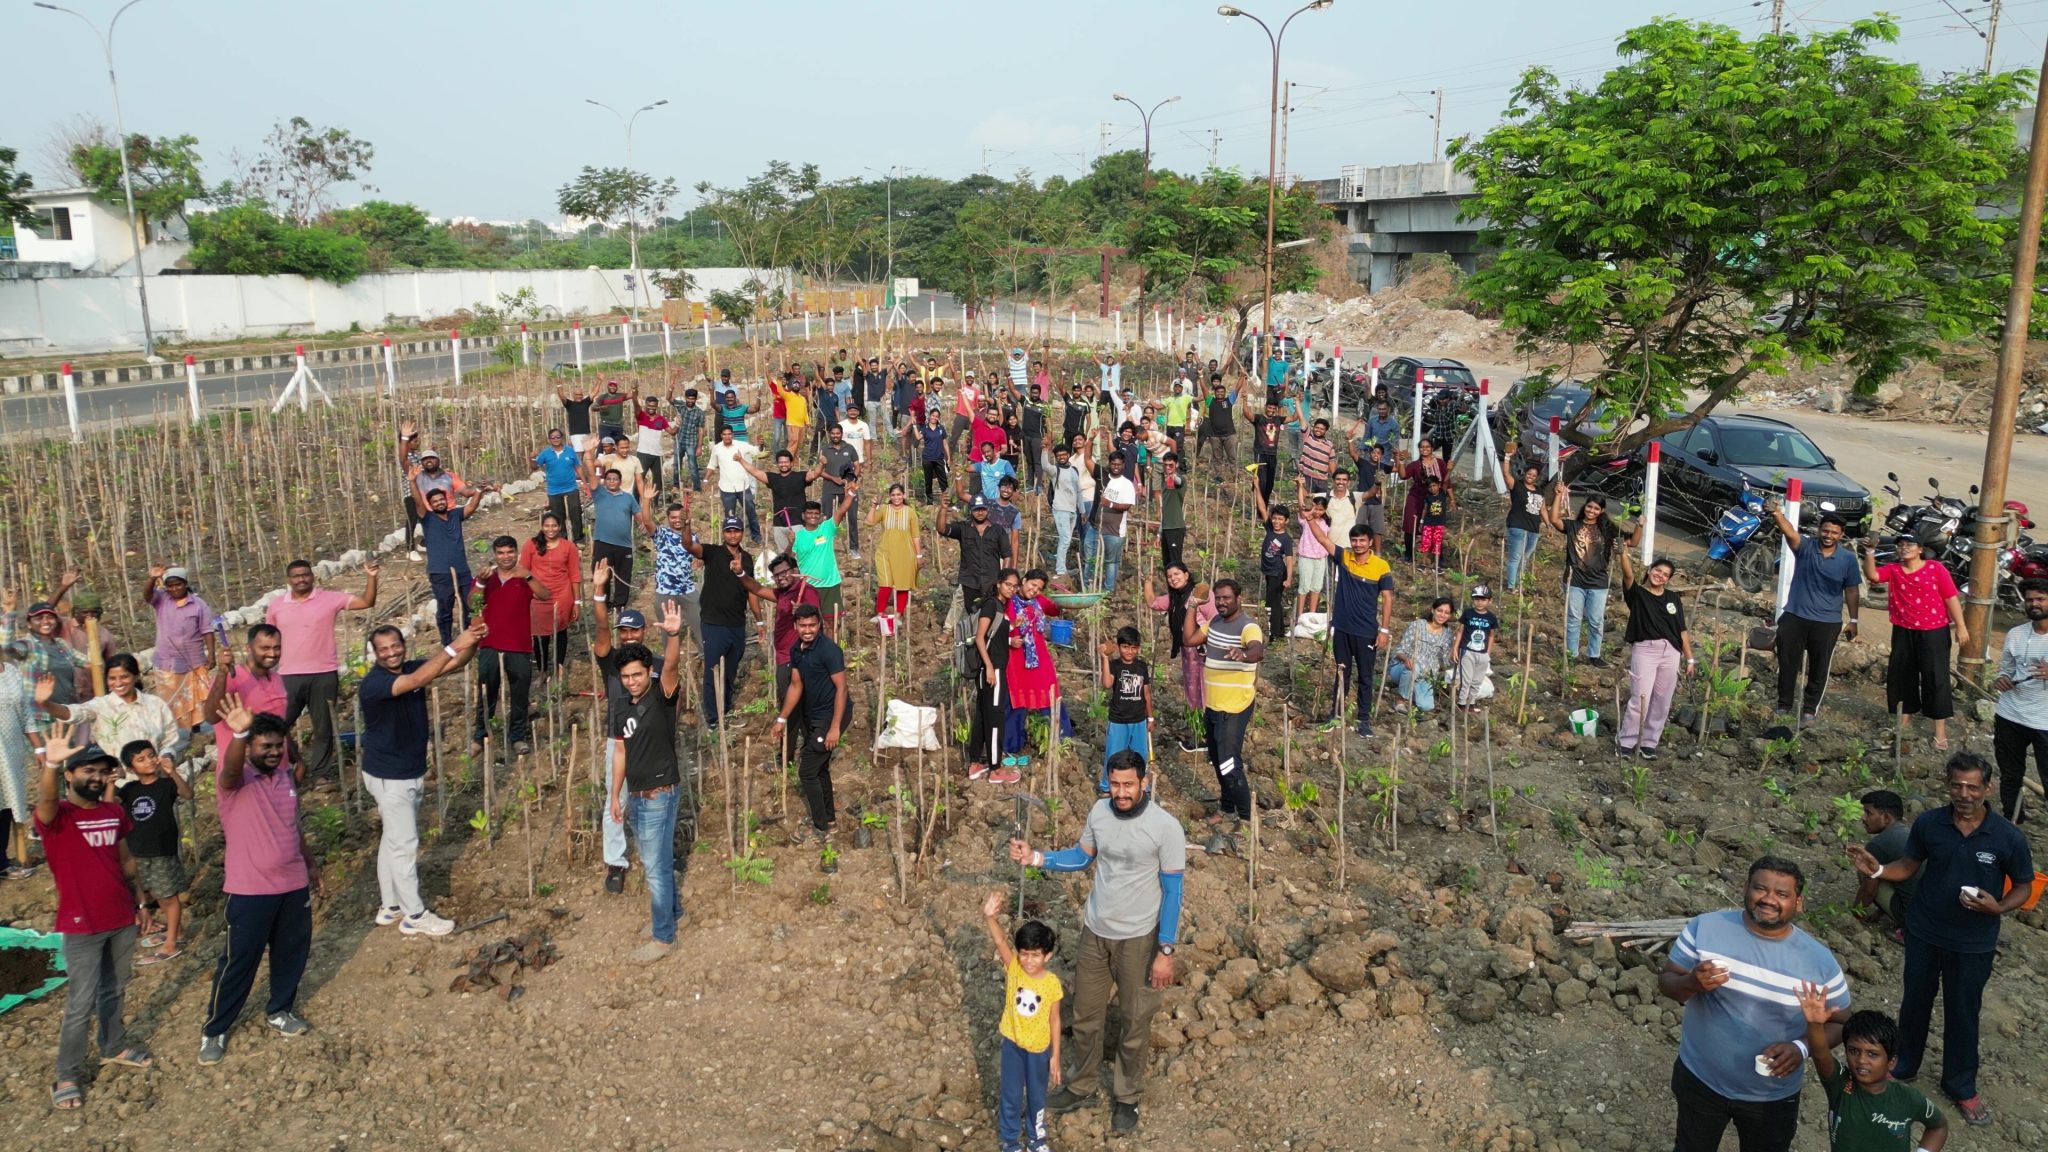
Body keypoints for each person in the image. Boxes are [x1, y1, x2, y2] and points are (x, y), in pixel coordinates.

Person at [1848, 753, 2034, 1126]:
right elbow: (1909, 865)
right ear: (1947, 785)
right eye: (1956, 785)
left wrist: (1998, 907)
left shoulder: (2007, 837)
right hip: (1925, 930)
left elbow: (2025, 887)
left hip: (1973, 941)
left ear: (1988, 788)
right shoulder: (1930, 824)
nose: (1964, 794)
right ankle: (1905, 1065)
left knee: (1963, 1012)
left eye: (1972, 787)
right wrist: (1880, 868)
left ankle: (1961, 1086)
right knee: (1915, 1001)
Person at [1012, 750, 1185, 1136]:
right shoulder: (1100, 813)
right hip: (1096, 932)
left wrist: (1166, 950)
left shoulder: (1166, 827)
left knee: (1134, 1021)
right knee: (1087, 1016)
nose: (1121, 793)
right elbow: (1081, 858)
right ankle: (1082, 1085)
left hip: (1139, 938)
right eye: (1115, 784)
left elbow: (1173, 891)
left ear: (1145, 782)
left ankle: (1126, 1097)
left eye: (1129, 785)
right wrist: (1037, 857)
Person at [1658, 856, 1851, 1152]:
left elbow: (1840, 1022)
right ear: (1745, 888)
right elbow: (1667, 982)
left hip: (1772, 1097)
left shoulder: (1819, 962)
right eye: (1760, 889)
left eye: (1782, 894)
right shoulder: (1706, 928)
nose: (1768, 899)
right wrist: (1691, 983)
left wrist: (1801, 1048)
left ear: (1798, 902)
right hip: (1700, 1081)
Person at [201, 699, 324, 1065]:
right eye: (264, 746)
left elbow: (293, 827)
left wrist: (311, 864)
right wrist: (238, 732)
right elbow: (230, 768)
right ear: (250, 746)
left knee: (291, 954)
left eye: (277, 745)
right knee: (239, 961)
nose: (273, 752)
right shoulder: (234, 781)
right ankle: (215, 1029)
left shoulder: (286, 779)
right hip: (250, 890)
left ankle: (280, 1010)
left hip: (292, 885)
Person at [35, 725, 150, 1109]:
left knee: (115, 989)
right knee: (81, 1003)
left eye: (102, 771)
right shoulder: (58, 817)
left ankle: (113, 1046)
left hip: (120, 918)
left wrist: (141, 903)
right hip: (81, 925)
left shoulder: (113, 812)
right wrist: (51, 762)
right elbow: (46, 800)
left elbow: (126, 859)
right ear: (70, 775)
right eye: (88, 770)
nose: (96, 777)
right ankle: (67, 1074)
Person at [358, 620, 483, 937]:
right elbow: (418, 678)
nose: (391, 653)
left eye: (395, 645)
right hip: (391, 775)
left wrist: (474, 641)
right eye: (383, 649)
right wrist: (457, 641)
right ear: (374, 653)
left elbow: (453, 663)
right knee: (404, 845)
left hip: (403, 771)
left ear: (404, 645)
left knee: (392, 838)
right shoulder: (374, 684)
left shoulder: (410, 667)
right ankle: (414, 915)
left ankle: (390, 906)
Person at [609, 603, 689, 965]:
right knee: (656, 860)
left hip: (661, 792)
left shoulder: (661, 695)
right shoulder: (622, 707)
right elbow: (621, 753)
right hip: (638, 795)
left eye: (638, 674)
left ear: (648, 673)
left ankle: (663, 937)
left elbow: (670, 666)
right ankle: (673, 914)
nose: (632, 681)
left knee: (655, 868)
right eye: (627, 676)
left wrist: (673, 635)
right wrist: (615, 795)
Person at [268, 558, 378, 782]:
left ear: (313, 576)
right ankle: (292, 764)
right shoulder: (277, 605)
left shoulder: (329, 599)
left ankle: (320, 775)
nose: (301, 579)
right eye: (296, 576)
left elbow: (367, 601)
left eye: (305, 574)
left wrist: (371, 576)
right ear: (288, 580)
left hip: (323, 674)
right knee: (276, 725)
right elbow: (268, 639)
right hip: (288, 675)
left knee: (323, 728)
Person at [1796, 996, 1948, 1152]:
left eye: (1872, 1054)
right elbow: (1820, 1053)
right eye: (1854, 1051)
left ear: (1891, 1061)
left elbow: (1938, 1127)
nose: (1861, 1060)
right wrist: (1814, 1024)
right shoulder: (1840, 1085)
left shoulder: (1908, 1098)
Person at [1860, 533, 1967, 751]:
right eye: (1900, 545)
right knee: (1901, 675)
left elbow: (1951, 598)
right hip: (1903, 630)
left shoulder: (1935, 568)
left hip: (1934, 632)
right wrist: (1870, 551)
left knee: (1935, 677)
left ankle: (1940, 731)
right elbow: (1873, 575)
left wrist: (1961, 626)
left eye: (1909, 545)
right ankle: (1905, 721)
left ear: (1920, 549)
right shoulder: (1894, 570)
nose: (1903, 548)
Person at [979, 889, 1063, 1152]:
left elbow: (1055, 1021)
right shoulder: (1014, 968)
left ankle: (1037, 1139)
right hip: (1013, 1045)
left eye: (1035, 955)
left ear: (1047, 956)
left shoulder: (1051, 985)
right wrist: (989, 917)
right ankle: (1011, 1141)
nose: (1028, 960)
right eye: (1024, 953)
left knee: (1037, 1097)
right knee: (1011, 1095)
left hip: (1039, 1050)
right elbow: (1001, 942)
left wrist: (1055, 1056)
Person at [1764, 502, 1862, 725]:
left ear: (1841, 535)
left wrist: (1853, 620)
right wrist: (1777, 513)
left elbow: (1852, 590)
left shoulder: (1847, 559)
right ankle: (1784, 705)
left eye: (1834, 532)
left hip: (1827, 622)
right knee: (1787, 662)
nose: (1829, 535)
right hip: (1795, 616)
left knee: (1820, 667)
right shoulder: (1806, 547)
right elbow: (1789, 532)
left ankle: (1809, 709)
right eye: (1826, 530)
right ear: (1819, 530)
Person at [683, 518, 770, 729]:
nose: (733, 535)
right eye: (729, 531)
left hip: (737, 625)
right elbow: (688, 546)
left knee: (730, 671)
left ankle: (727, 710)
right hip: (714, 623)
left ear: (742, 533)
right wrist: (687, 525)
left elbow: (752, 591)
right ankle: (713, 718)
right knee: (713, 670)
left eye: (736, 531)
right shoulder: (712, 552)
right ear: (723, 533)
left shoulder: (748, 559)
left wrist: (759, 620)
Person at [1188, 579, 1263, 824]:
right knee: (1217, 759)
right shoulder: (1215, 623)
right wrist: (1192, 606)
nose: (1221, 602)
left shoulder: (1248, 627)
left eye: (1226, 598)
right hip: (1214, 705)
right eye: (1217, 598)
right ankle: (1227, 807)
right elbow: (1189, 639)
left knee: (1230, 764)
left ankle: (1246, 820)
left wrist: (1243, 655)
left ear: (1238, 598)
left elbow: (1257, 650)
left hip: (1235, 707)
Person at [777, 604, 847, 844]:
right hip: (813, 716)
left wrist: (834, 727)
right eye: (803, 625)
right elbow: (796, 686)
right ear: (796, 625)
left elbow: (841, 688)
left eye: (812, 625)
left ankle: (820, 828)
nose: (808, 630)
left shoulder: (830, 651)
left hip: (830, 717)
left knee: (807, 772)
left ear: (819, 625)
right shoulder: (797, 649)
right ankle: (829, 820)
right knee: (819, 769)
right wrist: (781, 719)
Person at [38, 653, 183, 765]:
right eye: (112, 678)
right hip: (116, 782)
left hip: (153, 780)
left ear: (136, 677)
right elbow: (75, 713)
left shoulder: (155, 705)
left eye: (124, 677)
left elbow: (169, 741)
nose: (118, 683)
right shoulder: (101, 706)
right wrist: (46, 704)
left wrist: (166, 757)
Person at [1543, 486, 1628, 668]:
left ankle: (1594, 654)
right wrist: (1558, 495)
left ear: (1602, 511)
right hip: (1575, 580)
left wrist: (1641, 525)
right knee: (1573, 618)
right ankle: (1571, 654)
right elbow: (1554, 519)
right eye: (1589, 507)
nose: (1592, 511)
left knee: (1596, 620)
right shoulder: (1574, 526)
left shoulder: (1607, 530)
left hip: (1598, 582)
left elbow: (1633, 542)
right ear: (1585, 507)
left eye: (1596, 508)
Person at [1618, 554, 1693, 758]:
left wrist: (1690, 658)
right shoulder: (1638, 595)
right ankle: (1627, 742)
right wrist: (1622, 553)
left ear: (1668, 579)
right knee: (1641, 697)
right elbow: (1627, 575)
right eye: (1658, 570)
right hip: (1646, 649)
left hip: (1670, 652)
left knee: (1662, 699)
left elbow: (1682, 630)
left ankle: (1649, 743)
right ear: (1650, 570)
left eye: (1665, 574)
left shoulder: (1673, 599)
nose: (1660, 576)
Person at [1328, 525, 1396, 734]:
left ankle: (1363, 721)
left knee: (1366, 677)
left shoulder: (1381, 566)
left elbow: (1387, 598)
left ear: (1370, 542)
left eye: (1362, 541)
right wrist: (1311, 518)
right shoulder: (1345, 557)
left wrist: (1383, 630)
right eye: (1354, 540)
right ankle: (1336, 716)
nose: (1358, 545)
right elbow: (1322, 539)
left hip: (1366, 631)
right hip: (1342, 628)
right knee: (1341, 673)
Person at [1992, 578, 2048, 820]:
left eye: (2040, 599)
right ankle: (2013, 822)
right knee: (2010, 775)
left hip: (2044, 721)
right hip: (2010, 714)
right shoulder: (2015, 634)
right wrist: (2002, 679)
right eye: (2029, 600)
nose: (2034, 604)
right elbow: (2005, 669)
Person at [141, 564, 215, 736]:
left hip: (194, 659)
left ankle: (196, 730)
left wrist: (211, 654)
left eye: (178, 585)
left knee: (195, 697)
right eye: (171, 586)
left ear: (185, 584)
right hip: (167, 660)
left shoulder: (198, 604)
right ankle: (176, 733)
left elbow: (207, 630)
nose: (174, 589)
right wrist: (152, 578)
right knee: (171, 699)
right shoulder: (161, 600)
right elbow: (146, 595)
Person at [1147, 565, 1214, 754]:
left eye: (1177, 574)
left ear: (1186, 574)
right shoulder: (1175, 598)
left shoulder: (1200, 594)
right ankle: (1199, 732)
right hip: (1188, 652)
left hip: (1203, 652)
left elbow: (1215, 618)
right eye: (1169, 576)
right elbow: (1152, 602)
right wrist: (1147, 580)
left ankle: (1209, 737)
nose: (1173, 578)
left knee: (1205, 692)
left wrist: (1204, 640)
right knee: (1193, 692)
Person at [1001, 571, 1064, 771]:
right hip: (1016, 659)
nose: (1034, 590)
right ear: (1024, 581)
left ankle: (1059, 739)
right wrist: (1010, 640)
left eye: (1038, 588)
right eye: (1032, 585)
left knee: (1050, 694)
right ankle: (1011, 746)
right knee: (1016, 701)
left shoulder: (1039, 601)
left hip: (1039, 658)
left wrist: (1062, 597)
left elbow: (1054, 610)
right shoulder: (1008, 602)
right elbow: (995, 629)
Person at [415, 471, 486, 645]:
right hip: (440, 572)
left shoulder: (455, 515)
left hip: (462, 570)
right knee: (445, 607)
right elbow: (417, 501)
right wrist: (412, 482)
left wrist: (478, 492)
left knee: (469, 604)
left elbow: (470, 508)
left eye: (441, 499)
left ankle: (469, 638)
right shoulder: (428, 519)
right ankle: (447, 642)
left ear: (447, 500)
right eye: (435, 501)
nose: (439, 502)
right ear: (430, 505)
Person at [764, 554, 820, 768]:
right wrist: (740, 573)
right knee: (794, 706)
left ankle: (790, 757)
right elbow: (757, 589)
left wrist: (802, 612)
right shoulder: (783, 594)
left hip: (797, 659)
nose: (781, 577)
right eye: (776, 575)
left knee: (794, 707)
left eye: (785, 572)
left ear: (795, 570)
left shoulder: (808, 593)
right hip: (783, 658)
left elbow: (815, 621)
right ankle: (800, 754)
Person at [967, 571, 1022, 784]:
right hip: (993, 671)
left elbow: (994, 636)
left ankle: (975, 763)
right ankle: (996, 769)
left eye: (1015, 586)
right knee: (995, 718)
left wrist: (1013, 626)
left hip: (990, 669)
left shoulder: (1000, 608)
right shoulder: (991, 605)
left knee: (982, 714)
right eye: (1008, 584)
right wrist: (990, 667)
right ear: (999, 584)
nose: (1011, 589)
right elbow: (980, 638)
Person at [520, 512, 583, 680]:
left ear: (560, 527)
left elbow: (575, 575)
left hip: (562, 595)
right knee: (540, 637)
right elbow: (523, 571)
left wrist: (577, 601)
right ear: (541, 527)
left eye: (554, 526)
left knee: (560, 633)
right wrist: (528, 594)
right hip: (538, 596)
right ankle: (542, 670)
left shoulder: (568, 547)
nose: (550, 529)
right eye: (547, 526)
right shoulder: (531, 545)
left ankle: (558, 669)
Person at [938, 495, 1014, 626]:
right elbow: (942, 529)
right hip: (970, 581)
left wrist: (1003, 578)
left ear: (988, 510)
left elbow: (1007, 554)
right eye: (976, 509)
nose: (980, 512)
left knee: (992, 612)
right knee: (972, 611)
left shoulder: (997, 530)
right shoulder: (963, 528)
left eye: (983, 509)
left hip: (991, 581)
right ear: (971, 510)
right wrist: (943, 509)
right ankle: (970, 636)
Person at [792, 491, 857, 639]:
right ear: (803, 516)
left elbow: (842, 510)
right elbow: (790, 560)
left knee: (831, 623)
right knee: (810, 623)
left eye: (816, 513)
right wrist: (790, 544)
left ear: (820, 516)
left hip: (830, 585)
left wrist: (851, 492)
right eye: (809, 513)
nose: (813, 516)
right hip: (809, 587)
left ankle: (831, 653)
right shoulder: (798, 536)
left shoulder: (826, 528)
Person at [1851, 789, 1917, 935]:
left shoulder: (1878, 845)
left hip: (1913, 919)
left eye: (1869, 813)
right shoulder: (1909, 833)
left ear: (1886, 818)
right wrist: (1880, 914)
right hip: (1934, 917)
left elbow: (1868, 891)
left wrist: (1853, 915)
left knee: (1867, 872)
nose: (1863, 818)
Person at [589, 467, 654, 610]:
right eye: (609, 479)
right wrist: (589, 454)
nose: (612, 481)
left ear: (620, 481)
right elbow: (592, 476)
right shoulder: (599, 493)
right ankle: (603, 603)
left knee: (623, 575)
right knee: (601, 573)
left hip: (623, 544)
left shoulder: (628, 497)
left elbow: (638, 515)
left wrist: (643, 523)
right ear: (605, 481)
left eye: (615, 479)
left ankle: (620, 605)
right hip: (602, 542)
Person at [1098, 629, 1151, 793]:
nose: (1130, 651)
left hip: (1139, 720)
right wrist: (1105, 658)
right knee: (1113, 755)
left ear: (1138, 649)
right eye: (1126, 647)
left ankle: (1141, 785)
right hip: (1118, 720)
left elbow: (1146, 693)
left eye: (1134, 648)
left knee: (1141, 755)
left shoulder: (1142, 667)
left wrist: (1151, 718)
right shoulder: (1115, 666)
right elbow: (1107, 684)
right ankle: (1108, 786)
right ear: (1119, 647)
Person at [1389, 598, 1457, 713]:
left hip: (1425, 676)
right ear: (1432, 610)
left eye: (1446, 613)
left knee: (1426, 706)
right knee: (1414, 669)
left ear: (1450, 616)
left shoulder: (1448, 634)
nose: (1442, 615)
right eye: (1440, 611)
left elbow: (1446, 662)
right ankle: (1400, 700)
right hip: (1404, 669)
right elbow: (1400, 650)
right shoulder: (1418, 625)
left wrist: (1456, 647)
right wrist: (1406, 659)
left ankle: (1408, 690)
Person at [867, 484, 922, 625]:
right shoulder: (884, 509)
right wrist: (873, 507)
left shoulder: (910, 512)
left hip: (905, 554)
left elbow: (915, 536)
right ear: (889, 497)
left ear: (903, 495)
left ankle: (898, 615)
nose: (896, 498)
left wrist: (918, 555)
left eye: (899, 495)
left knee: (903, 585)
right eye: (893, 495)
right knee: (885, 584)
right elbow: (869, 522)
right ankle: (880, 613)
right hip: (885, 552)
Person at [1084, 452, 1137, 593]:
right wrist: (1090, 439)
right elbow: (1087, 458)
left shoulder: (1127, 484)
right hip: (1095, 528)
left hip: (1114, 531)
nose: (1116, 467)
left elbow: (1127, 506)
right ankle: (1086, 587)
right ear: (1109, 463)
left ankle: (1108, 591)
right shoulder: (1102, 476)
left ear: (1123, 465)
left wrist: (1110, 504)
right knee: (1089, 558)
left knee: (1111, 562)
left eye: (1119, 464)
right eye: (1113, 464)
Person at [1396, 439, 1452, 564]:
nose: (1424, 449)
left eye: (1427, 447)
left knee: (1435, 527)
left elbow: (1446, 481)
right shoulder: (1416, 465)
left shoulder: (1440, 463)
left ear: (1432, 448)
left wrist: (1452, 499)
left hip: (1434, 500)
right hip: (1416, 498)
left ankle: (1438, 557)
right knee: (1410, 524)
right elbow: (1403, 475)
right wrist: (1400, 462)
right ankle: (1408, 554)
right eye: (1421, 447)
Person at [708, 425, 764, 545]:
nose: (727, 436)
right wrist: (705, 480)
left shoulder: (741, 445)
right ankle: (730, 539)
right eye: (724, 434)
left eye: (729, 434)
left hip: (743, 486)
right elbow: (711, 465)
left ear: (732, 435)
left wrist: (760, 444)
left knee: (751, 511)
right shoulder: (717, 448)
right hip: (726, 488)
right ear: (721, 435)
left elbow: (756, 451)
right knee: (730, 515)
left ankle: (756, 535)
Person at [534, 428, 590, 543]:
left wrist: (584, 483)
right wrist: (531, 459)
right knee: (558, 515)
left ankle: (578, 538)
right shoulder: (545, 453)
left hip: (571, 487)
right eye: (553, 437)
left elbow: (578, 467)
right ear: (549, 440)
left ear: (562, 438)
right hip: (554, 490)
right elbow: (535, 466)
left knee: (575, 512)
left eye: (558, 437)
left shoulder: (570, 451)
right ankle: (562, 538)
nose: (555, 439)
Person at [1501, 453, 1546, 592]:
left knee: (1525, 557)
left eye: (1534, 475)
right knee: (1515, 557)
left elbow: (1542, 509)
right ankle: (1511, 586)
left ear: (1537, 478)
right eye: (1529, 474)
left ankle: (1519, 583)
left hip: (1533, 529)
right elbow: (1506, 474)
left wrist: (1549, 525)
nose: (1530, 477)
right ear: (1525, 473)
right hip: (1517, 526)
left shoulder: (1539, 490)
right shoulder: (1517, 485)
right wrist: (1507, 458)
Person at [817, 423, 864, 559]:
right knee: (826, 519)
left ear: (841, 434)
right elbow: (820, 471)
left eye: (838, 433)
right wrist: (834, 478)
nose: (835, 436)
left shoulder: (849, 448)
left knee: (852, 518)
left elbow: (857, 466)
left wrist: (851, 480)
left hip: (848, 489)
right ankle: (824, 548)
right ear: (830, 434)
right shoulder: (825, 449)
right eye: (833, 433)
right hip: (829, 488)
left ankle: (854, 548)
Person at [1253, 491, 1295, 638]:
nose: (1277, 522)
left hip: (1278, 573)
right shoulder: (1270, 529)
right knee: (1273, 602)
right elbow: (1262, 508)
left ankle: (1276, 633)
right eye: (1275, 518)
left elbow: (1289, 559)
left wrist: (1289, 578)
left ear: (1286, 521)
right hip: (1269, 572)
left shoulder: (1286, 539)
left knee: (1274, 603)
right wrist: (1257, 487)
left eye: (1280, 519)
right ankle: (1277, 631)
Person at [1454, 585, 1501, 710]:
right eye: (1476, 599)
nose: (1479, 602)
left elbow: (1491, 635)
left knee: (1477, 680)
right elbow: (1460, 631)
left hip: (1483, 653)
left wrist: (1488, 653)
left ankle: (1471, 702)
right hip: (1467, 651)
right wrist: (1455, 648)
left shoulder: (1491, 617)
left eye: (1483, 599)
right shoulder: (1468, 613)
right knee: (1466, 679)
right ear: (1473, 600)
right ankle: (1462, 703)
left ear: (1489, 601)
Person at [669, 386, 706, 492]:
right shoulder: (680, 406)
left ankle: (697, 488)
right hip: (679, 440)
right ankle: (675, 485)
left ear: (696, 399)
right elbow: (668, 398)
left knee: (693, 466)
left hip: (691, 442)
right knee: (676, 463)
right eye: (688, 398)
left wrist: (699, 447)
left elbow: (700, 430)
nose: (690, 401)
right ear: (685, 398)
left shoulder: (699, 413)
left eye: (692, 399)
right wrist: (671, 387)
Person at [1156, 452, 1189, 571]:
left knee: (1176, 563)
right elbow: (1165, 510)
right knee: (1167, 564)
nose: (1168, 467)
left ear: (1177, 465)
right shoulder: (1165, 483)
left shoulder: (1180, 479)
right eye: (1165, 465)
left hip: (1175, 527)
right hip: (1166, 528)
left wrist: (1173, 474)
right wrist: (1159, 533)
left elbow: (1178, 481)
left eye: (1171, 465)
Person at [632, 393, 670, 496]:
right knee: (640, 478)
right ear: (645, 405)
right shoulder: (641, 416)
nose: (651, 408)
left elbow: (672, 432)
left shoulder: (661, 419)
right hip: (643, 453)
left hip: (657, 454)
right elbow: (636, 405)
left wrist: (679, 425)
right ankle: (636, 501)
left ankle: (655, 504)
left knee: (658, 481)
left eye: (654, 406)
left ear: (657, 406)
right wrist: (634, 393)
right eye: (649, 405)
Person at [1416, 474, 1451, 570]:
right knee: (1425, 543)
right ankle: (1423, 564)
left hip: (1439, 524)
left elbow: (1446, 480)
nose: (1432, 488)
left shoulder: (1442, 494)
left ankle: (1436, 565)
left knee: (1437, 544)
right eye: (1430, 487)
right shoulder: (1428, 497)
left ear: (1438, 485)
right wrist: (1421, 522)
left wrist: (1448, 470)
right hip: (1428, 523)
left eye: (1434, 485)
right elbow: (1425, 509)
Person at [556, 382, 596, 459]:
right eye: (577, 395)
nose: (579, 396)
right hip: (576, 434)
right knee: (579, 455)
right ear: (573, 395)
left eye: (580, 394)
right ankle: (577, 471)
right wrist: (559, 386)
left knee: (589, 455)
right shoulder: (569, 404)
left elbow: (594, 393)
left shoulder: (586, 402)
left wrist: (599, 381)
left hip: (587, 433)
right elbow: (562, 397)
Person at [593, 378, 632, 444]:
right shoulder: (602, 397)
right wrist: (600, 408)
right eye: (611, 385)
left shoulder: (620, 396)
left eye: (614, 386)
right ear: (608, 386)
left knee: (617, 446)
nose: (613, 387)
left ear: (617, 387)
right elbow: (593, 408)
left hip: (618, 426)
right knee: (603, 445)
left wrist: (634, 389)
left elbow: (633, 395)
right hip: (605, 426)